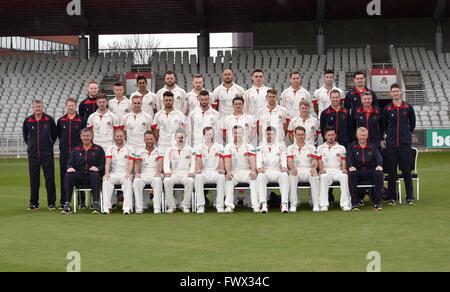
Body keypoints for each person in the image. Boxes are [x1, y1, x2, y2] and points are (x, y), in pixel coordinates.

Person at [383, 83, 416, 205]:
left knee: (406, 171)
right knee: (392, 172)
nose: (395, 93)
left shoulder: (408, 107)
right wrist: (390, 137)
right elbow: (384, 126)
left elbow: (412, 124)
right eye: (393, 91)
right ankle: (392, 197)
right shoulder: (387, 109)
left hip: (404, 145)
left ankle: (410, 197)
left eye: (397, 91)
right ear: (390, 93)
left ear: (400, 92)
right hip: (391, 145)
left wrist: (405, 135)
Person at [23, 99, 57, 210]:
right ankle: (33, 203)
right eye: (36, 107)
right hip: (33, 155)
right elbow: (25, 136)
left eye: (39, 106)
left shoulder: (49, 119)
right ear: (33, 107)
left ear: (43, 107)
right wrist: (32, 146)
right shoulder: (28, 121)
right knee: (34, 179)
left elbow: (54, 135)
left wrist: (48, 145)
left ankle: (51, 203)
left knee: (50, 179)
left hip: (46, 154)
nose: (38, 108)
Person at [62, 128, 105, 214]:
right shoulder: (75, 150)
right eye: (84, 136)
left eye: (88, 136)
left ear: (92, 136)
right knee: (68, 175)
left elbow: (103, 164)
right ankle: (67, 203)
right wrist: (70, 168)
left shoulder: (98, 149)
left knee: (95, 174)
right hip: (79, 175)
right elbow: (69, 163)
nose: (86, 138)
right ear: (81, 137)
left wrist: (98, 168)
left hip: (91, 176)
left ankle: (96, 203)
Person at [56, 97, 84, 209]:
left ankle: (81, 202)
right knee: (64, 177)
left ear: (75, 106)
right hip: (64, 154)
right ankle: (64, 201)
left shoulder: (81, 120)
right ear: (66, 106)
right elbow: (58, 135)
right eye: (69, 105)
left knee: (80, 176)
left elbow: (84, 136)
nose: (71, 107)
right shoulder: (61, 120)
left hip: (78, 154)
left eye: (72, 105)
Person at [347, 127, 384, 211]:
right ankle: (355, 203)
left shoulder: (372, 146)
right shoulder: (351, 146)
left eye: (364, 135)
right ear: (357, 135)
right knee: (352, 175)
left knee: (379, 174)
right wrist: (350, 166)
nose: (362, 137)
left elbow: (379, 157)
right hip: (357, 170)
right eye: (361, 135)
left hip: (370, 170)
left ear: (367, 136)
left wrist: (379, 165)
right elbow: (348, 158)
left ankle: (376, 203)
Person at [223, 125, 258, 213]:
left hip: (247, 171)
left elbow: (253, 160)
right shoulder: (228, 147)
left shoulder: (249, 147)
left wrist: (253, 171)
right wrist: (228, 172)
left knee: (253, 178)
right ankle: (229, 206)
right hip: (234, 172)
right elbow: (227, 160)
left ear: (243, 134)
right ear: (232, 134)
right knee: (229, 179)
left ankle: (255, 205)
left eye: (239, 133)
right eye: (235, 133)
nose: (237, 135)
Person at [256, 127, 289, 213]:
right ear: (264, 135)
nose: (269, 136)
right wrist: (259, 168)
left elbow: (283, 159)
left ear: (275, 135)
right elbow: (258, 161)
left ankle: (284, 204)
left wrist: (284, 166)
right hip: (266, 171)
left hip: (277, 170)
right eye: (268, 134)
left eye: (272, 134)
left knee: (285, 175)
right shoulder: (260, 147)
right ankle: (263, 204)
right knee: (260, 176)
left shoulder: (281, 147)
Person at [317, 127, 352, 212]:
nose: (331, 137)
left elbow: (343, 160)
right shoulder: (320, 148)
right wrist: (321, 169)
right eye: (329, 135)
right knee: (323, 177)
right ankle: (324, 204)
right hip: (326, 170)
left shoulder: (341, 147)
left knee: (344, 176)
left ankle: (345, 204)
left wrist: (344, 169)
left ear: (335, 135)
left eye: (332, 135)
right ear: (325, 136)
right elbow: (319, 160)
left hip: (337, 170)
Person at [287, 126, 321, 212]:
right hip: (296, 169)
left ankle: (316, 204)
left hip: (308, 169)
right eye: (298, 134)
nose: (300, 136)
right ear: (295, 135)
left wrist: (314, 168)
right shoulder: (290, 148)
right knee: (292, 176)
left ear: (305, 135)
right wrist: (292, 168)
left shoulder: (311, 147)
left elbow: (315, 161)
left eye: (302, 134)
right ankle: (293, 205)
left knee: (314, 176)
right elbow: (289, 161)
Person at [194, 127, 226, 213]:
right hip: (204, 171)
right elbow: (198, 161)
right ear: (204, 135)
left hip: (215, 171)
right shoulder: (199, 147)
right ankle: (200, 206)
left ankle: (220, 205)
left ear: (213, 135)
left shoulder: (219, 147)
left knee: (221, 177)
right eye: (207, 134)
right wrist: (198, 170)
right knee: (198, 177)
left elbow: (221, 160)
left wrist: (221, 169)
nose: (209, 136)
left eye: (211, 134)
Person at [102, 129, 134, 214]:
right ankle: (107, 207)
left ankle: (127, 208)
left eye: (121, 136)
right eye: (117, 136)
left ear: (124, 137)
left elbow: (131, 162)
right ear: (114, 137)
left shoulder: (130, 148)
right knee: (106, 180)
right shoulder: (110, 148)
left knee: (127, 180)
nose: (119, 138)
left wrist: (129, 173)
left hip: (124, 173)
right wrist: (107, 173)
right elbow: (108, 162)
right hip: (114, 173)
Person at [163, 129, 196, 213]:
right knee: (167, 180)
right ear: (175, 138)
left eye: (182, 137)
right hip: (174, 173)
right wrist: (167, 172)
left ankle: (185, 205)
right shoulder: (170, 150)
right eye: (178, 137)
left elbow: (193, 163)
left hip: (185, 173)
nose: (180, 139)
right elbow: (166, 162)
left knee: (190, 181)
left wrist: (191, 172)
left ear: (186, 138)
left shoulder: (191, 150)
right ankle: (171, 206)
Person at [132, 131, 164, 214]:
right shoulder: (139, 151)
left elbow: (160, 162)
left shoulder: (159, 150)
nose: (149, 141)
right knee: (136, 181)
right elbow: (137, 163)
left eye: (151, 139)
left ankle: (157, 207)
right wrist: (137, 173)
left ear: (154, 139)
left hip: (155, 173)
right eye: (147, 139)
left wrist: (158, 172)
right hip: (144, 174)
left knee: (157, 180)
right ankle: (139, 207)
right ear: (144, 140)